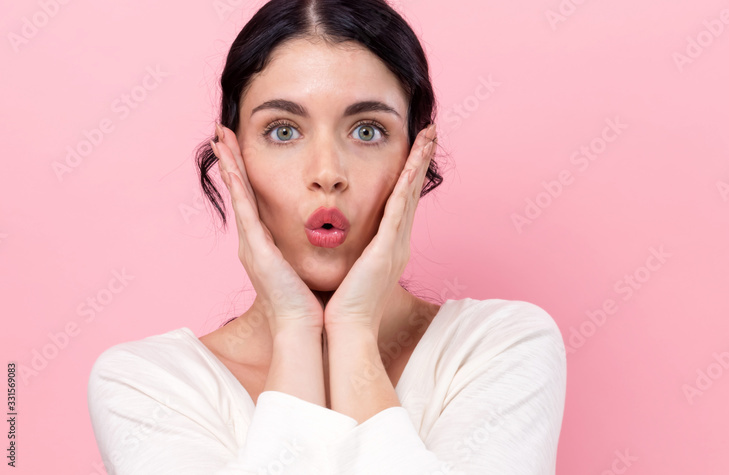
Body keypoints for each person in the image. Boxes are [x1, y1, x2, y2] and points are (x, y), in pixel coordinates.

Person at [85, 1, 567, 474]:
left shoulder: (500, 348)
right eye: (282, 131)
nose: (327, 173)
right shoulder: (147, 386)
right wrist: (295, 328)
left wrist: (353, 329)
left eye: (367, 130)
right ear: (232, 157)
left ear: (415, 159)